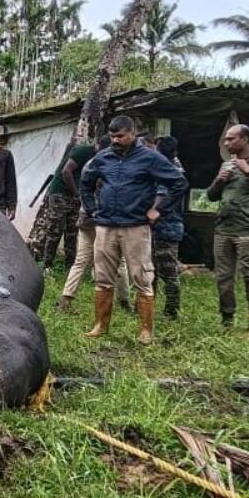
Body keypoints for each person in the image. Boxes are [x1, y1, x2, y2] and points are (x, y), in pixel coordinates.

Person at [80, 116, 187, 344]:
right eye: (112, 136)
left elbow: (179, 183)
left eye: (120, 136)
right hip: (106, 225)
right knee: (103, 277)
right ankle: (100, 325)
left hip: (136, 226)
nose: (115, 140)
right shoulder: (103, 157)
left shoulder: (150, 158)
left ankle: (146, 330)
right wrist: (91, 209)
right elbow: (85, 182)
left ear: (132, 133)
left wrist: (159, 209)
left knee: (142, 277)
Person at [207, 124, 249, 338]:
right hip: (224, 229)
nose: (226, 143)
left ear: (244, 139)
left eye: (231, 139)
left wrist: (248, 172)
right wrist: (219, 181)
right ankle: (227, 320)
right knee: (223, 278)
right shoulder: (226, 164)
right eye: (226, 139)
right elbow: (211, 196)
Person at [56, 136, 132, 313]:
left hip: (86, 219)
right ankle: (124, 301)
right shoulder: (114, 166)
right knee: (120, 262)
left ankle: (65, 299)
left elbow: (83, 190)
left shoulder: (90, 164)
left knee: (81, 261)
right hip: (106, 221)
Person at [41, 139, 98, 269]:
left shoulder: (100, 158)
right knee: (55, 230)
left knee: (72, 231)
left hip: (76, 194)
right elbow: (66, 171)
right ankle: (47, 266)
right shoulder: (84, 151)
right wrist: (77, 194)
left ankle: (70, 265)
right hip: (60, 193)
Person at [151, 136, 184, 319]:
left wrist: (153, 212)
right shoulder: (176, 168)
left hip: (164, 226)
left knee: (167, 271)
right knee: (155, 271)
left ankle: (171, 310)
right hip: (170, 226)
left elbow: (161, 194)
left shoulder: (166, 172)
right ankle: (148, 306)